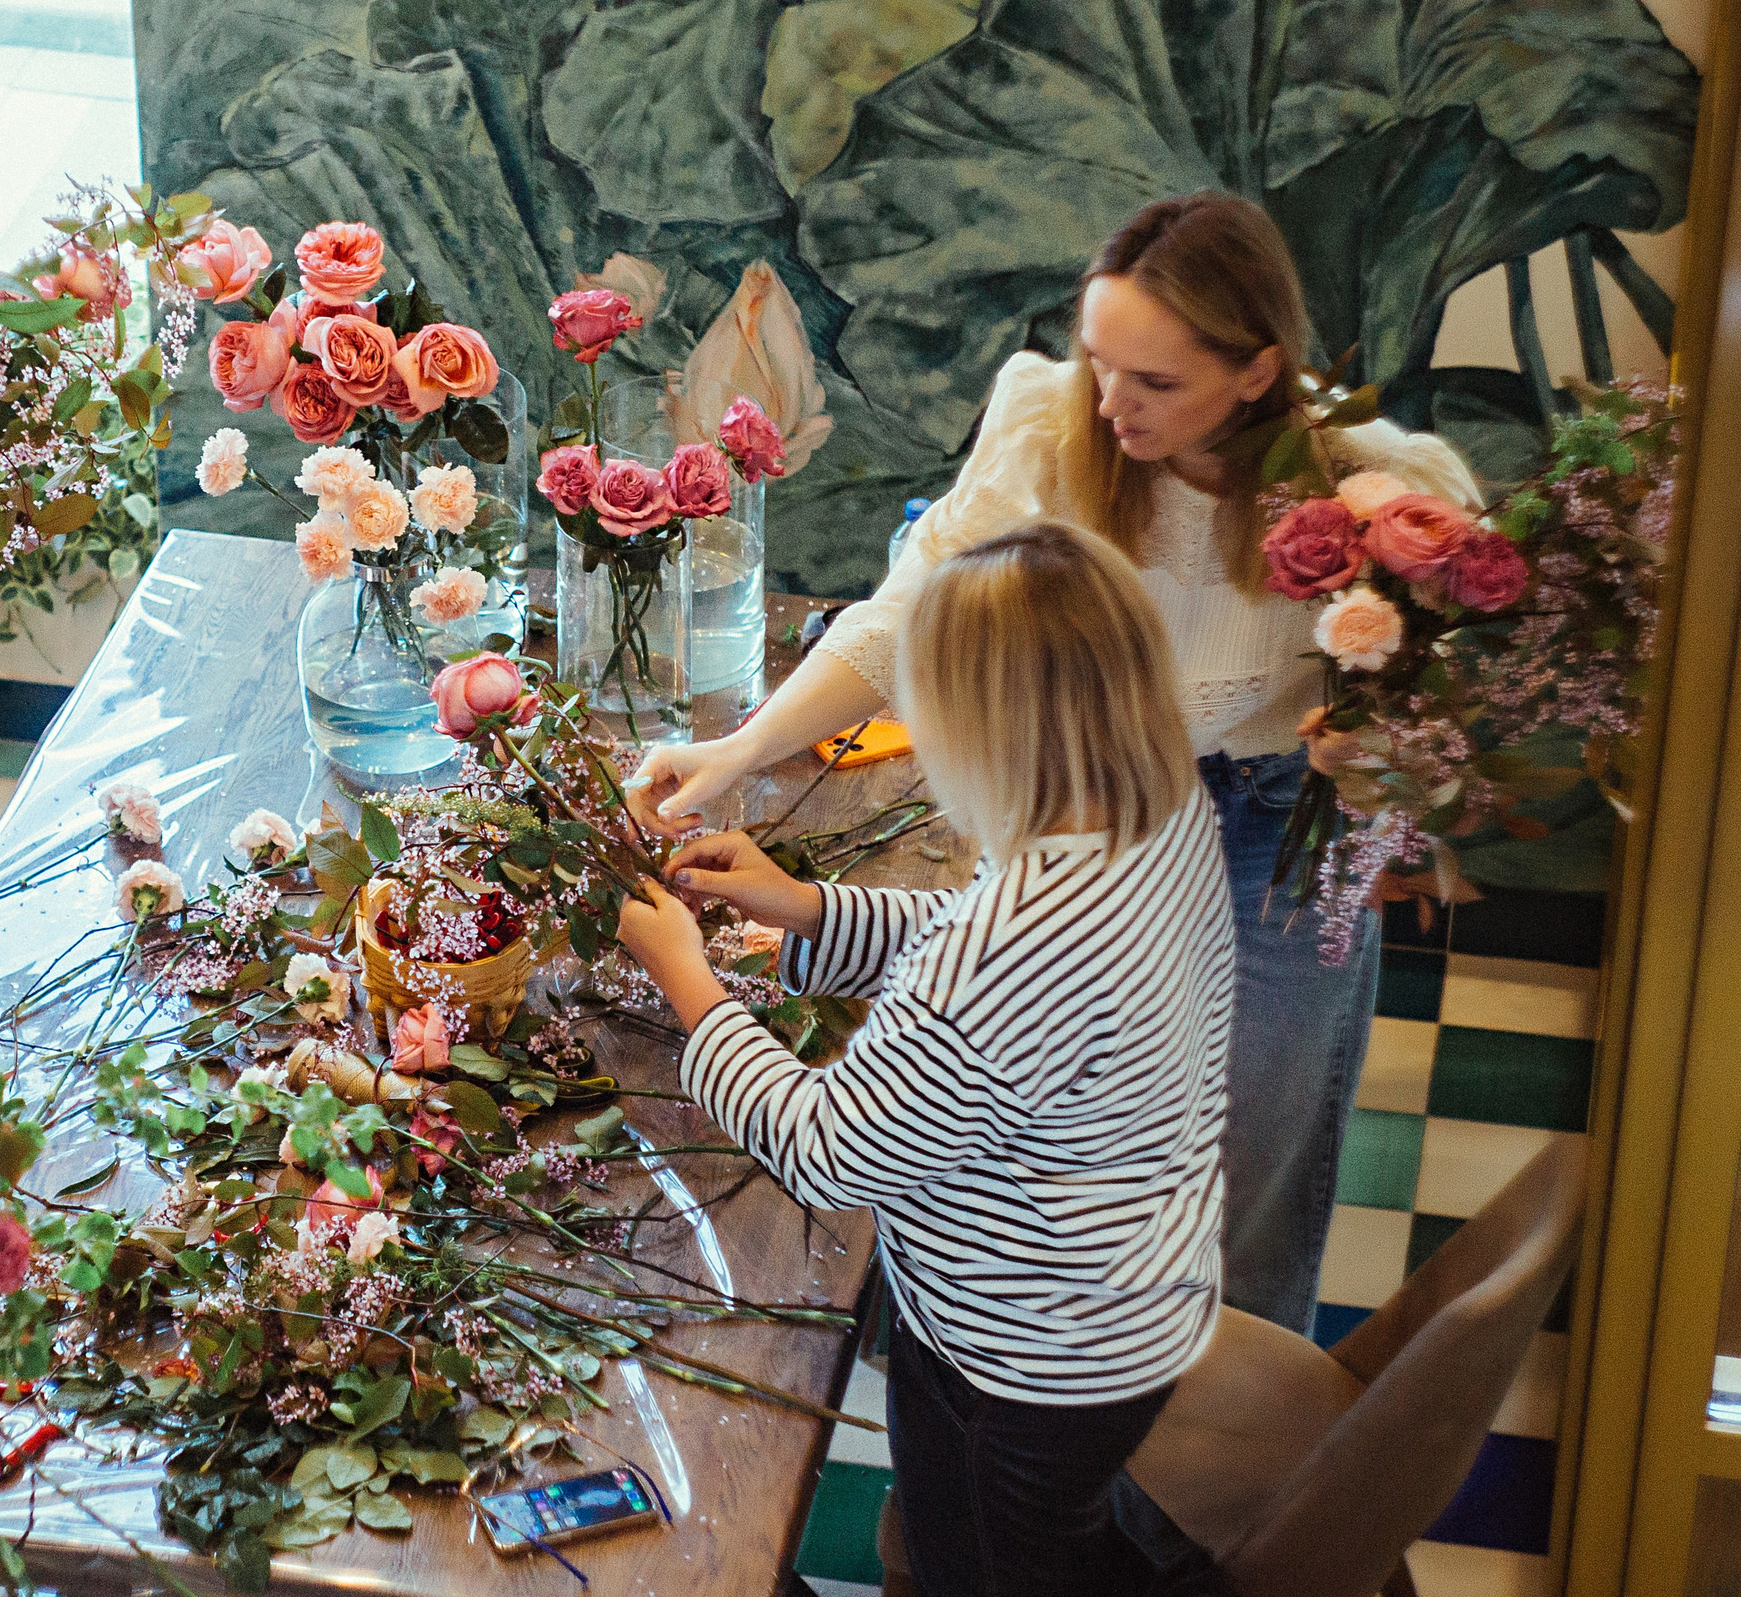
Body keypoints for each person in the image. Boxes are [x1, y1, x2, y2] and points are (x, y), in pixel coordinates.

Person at [630, 191, 1482, 1333]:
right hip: (1098, 806)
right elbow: (901, 617)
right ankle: (994, 1345)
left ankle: (1220, 1456)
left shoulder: (1374, 491)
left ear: (1255, 371)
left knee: (1250, 1159)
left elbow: (1449, 705)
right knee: (1028, 1127)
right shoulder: (1051, 428)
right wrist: (740, 751)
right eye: (1098, 365)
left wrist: (1384, 756)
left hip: (1276, 833)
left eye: (1155, 382)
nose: (1113, 404)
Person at [614, 524, 1232, 1597]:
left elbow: (826, 1151)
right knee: (1061, 1534)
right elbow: (977, 944)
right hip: (1130, 1284)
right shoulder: (1154, 813)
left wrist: (689, 984)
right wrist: (812, 908)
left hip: (1024, 1351)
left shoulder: (1009, 944)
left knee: (989, 1564)